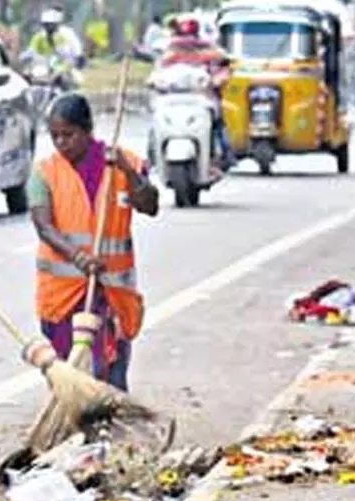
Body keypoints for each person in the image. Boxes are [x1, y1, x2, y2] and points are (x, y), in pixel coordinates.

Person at [29, 94, 158, 391]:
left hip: (111, 292)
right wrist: (78, 257)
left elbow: (149, 205)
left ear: (88, 130)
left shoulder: (123, 163)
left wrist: (126, 169)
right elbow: (44, 226)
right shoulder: (44, 171)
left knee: (110, 372)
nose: (62, 143)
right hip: (63, 297)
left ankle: (110, 429)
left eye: (69, 135)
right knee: (70, 376)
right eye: (55, 136)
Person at [159, 15, 233, 169]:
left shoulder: (210, 52)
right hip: (172, 101)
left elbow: (224, 68)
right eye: (183, 42)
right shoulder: (169, 53)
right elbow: (158, 73)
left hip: (202, 98)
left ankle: (222, 153)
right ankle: (154, 153)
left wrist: (216, 80)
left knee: (216, 123)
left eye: (191, 41)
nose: (187, 47)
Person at [23, 7, 84, 86]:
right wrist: (23, 58)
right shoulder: (39, 37)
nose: (49, 27)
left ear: (56, 24)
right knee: (27, 75)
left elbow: (71, 54)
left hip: (62, 67)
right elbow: (31, 51)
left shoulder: (64, 35)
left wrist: (77, 59)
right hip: (45, 67)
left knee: (70, 80)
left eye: (51, 24)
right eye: (46, 24)